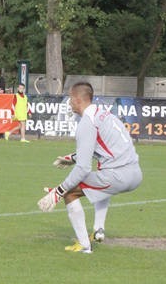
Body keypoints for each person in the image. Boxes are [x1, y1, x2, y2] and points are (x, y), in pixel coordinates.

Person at [38, 82, 142, 253]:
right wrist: (72, 158)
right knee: (99, 181)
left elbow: (83, 169)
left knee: (70, 192)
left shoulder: (87, 123)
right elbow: (104, 148)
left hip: (118, 176)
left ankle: (84, 245)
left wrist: (59, 191)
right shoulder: (105, 115)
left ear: (78, 100)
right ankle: (98, 230)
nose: (69, 103)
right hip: (135, 173)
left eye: (71, 99)